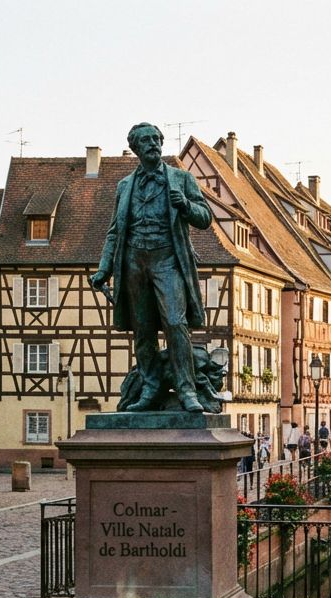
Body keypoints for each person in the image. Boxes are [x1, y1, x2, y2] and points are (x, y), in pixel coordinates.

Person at [90, 122, 213, 413]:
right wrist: (104, 268)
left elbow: (205, 217)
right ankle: (150, 388)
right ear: (135, 148)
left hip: (167, 259)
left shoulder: (181, 179)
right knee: (143, 330)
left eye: (156, 139)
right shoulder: (124, 186)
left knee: (175, 323)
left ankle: (186, 389)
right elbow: (115, 231)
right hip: (134, 262)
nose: (153, 144)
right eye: (145, 140)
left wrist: (186, 206)